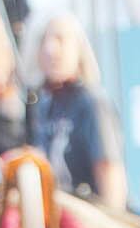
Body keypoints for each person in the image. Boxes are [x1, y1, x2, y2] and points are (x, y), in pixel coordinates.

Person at [26, 12, 122, 203]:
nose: (51, 49)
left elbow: (109, 171)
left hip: (90, 218)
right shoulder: (43, 104)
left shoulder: (91, 102)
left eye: (60, 40)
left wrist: (107, 226)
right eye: (44, 40)